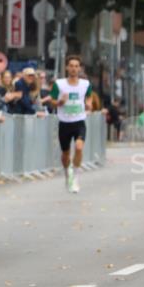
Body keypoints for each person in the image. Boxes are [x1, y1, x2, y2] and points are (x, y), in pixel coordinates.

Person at [52, 55, 94, 193]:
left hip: (79, 121)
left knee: (79, 147)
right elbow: (52, 100)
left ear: (80, 68)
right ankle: (67, 174)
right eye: (71, 66)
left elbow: (89, 97)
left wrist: (88, 104)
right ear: (66, 67)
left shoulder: (85, 84)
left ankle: (75, 176)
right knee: (65, 154)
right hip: (64, 123)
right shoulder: (59, 84)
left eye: (76, 66)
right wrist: (60, 102)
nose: (74, 69)